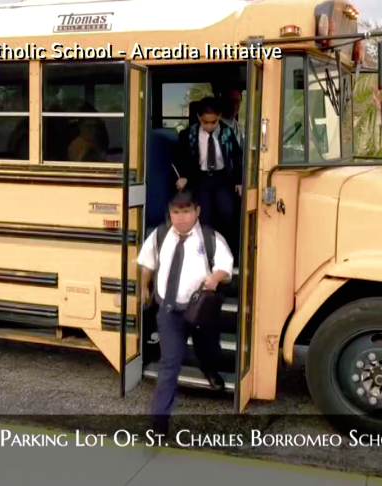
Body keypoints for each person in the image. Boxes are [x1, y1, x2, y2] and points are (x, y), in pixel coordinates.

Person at [137, 189, 234, 435]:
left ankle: (210, 370)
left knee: (209, 350)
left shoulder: (211, 238)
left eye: (186, 212)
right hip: (170, 312)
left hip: (200, 312)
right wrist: (143, 289)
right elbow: (147, 265)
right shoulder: (159, 236)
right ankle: (159, 424)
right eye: (176, 212)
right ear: (170, 213)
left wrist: (215, 277)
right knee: (169, 365)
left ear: (197, 211)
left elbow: (226, 264)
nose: (181, 218)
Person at [174, 97, 243, 256]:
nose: (210, 126)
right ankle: (206, 255)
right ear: (199, 118)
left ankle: (227, 255)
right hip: (200, 178)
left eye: (214, 122)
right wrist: (184, 176)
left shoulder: (227, 133)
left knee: (227, 212)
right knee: (205, 216)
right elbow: (182, 158)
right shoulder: (188, 135)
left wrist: (238, 181)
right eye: (206, 122)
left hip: (222, 179)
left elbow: (237, 158)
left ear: (219, 116)